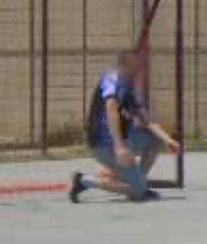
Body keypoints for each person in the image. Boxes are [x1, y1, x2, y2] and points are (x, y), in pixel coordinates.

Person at [69, 49, 181, 203]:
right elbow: (111, 108)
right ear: (126, 66)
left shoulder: (130, 86)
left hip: (125, 139)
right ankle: (83, 180)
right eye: (137, 67)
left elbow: (147, 119)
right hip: (103, 144)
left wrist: (168, 139)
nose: (141, 70)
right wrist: (120, 146)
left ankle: (136, 181)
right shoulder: (112, 79)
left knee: (155, 141)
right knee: (138, 190)